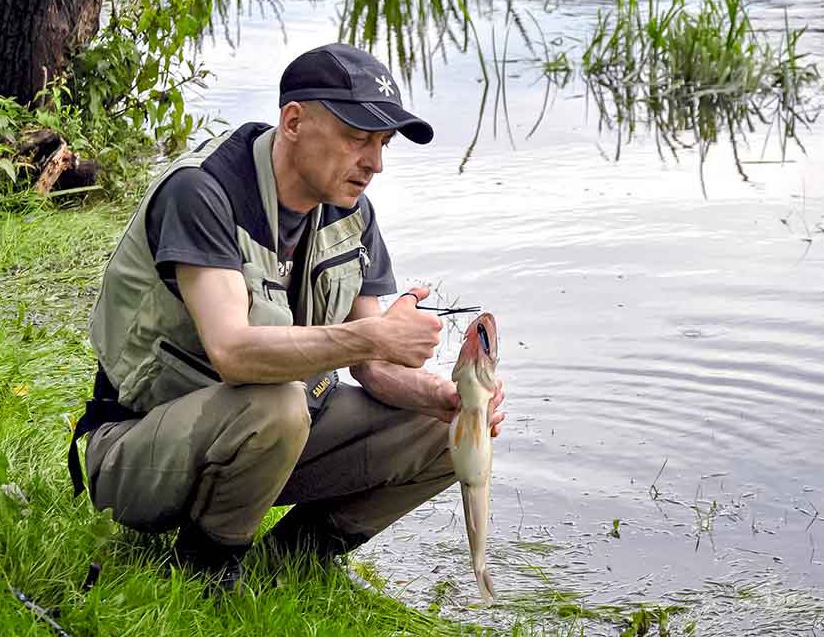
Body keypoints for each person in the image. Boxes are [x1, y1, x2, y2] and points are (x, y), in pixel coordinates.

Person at [68, 42, 506, 587]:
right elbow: (233, 352)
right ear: (294, 121)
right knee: (277, 402)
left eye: (382, 143)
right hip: (138, 452)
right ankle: (205, 571)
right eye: (356, 138)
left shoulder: (352, 212)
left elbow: (373, 369)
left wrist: (443, 399)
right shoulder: (203, 192)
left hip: (270, 431)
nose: (374, 163)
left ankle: (287, 567)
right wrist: (372, 336)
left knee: (445, 431)